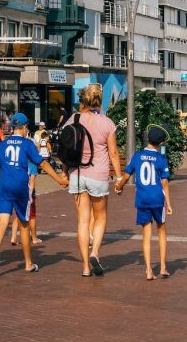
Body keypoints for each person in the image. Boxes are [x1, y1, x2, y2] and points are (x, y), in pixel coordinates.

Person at [0, 113, 67, 276]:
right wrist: (59, 179)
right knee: (24, 224)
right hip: (21, 187)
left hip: (5, 186)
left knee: (2, 222)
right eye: (26, 127)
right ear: (23, 127)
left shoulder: (4, 144)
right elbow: (42, 163)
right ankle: (29, 263)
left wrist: (0, 182)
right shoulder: (27, 143)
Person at [65, 83, 122, 277]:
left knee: (82, 221)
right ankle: (95, 253)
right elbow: (113, 152)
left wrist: (65, 171)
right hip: (98, 175)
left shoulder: (74, 118)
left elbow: (65, 146)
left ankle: (85, 268)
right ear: (99, 100)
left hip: (77, 174)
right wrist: (120, 177)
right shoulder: (107, 123)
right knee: (100, 217)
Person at [115, 125, 173, 280]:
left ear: (147, 139)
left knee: (146, 234)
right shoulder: (161, 159)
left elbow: (127, 176)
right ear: (160, 143)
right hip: (157, 198)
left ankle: (148, 270)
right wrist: (169, 203)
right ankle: (162, 267)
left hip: (142, 199)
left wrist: (118, 187)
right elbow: (165, 183)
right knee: (161, 229)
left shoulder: (137, 156)